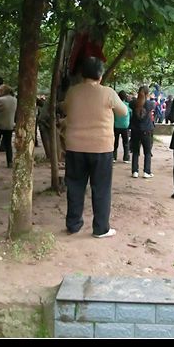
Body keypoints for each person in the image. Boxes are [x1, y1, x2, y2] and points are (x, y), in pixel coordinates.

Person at [62, 57, 127, 238]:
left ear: (82, 74)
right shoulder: (108, 93)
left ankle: (73, 225)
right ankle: (100, 229)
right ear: (100, 75)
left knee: (75, 186)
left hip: (75, 146)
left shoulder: (73, 92)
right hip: (101, 147)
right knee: (101, 188)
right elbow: (123, 112)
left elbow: (65, 108)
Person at [129, 85, 156, 178]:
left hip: (135, 130)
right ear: (147, 94)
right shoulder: (150, 104)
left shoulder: (133, 103)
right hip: (146, 130)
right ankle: (146, 172)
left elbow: (131, 103)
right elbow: (153, 106)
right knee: (147, 152)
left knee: (135, 151)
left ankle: (135, 171)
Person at [113, 90, 132, 164]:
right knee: (126, 142)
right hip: (125, 126)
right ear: (125, 97)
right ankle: (126, 158)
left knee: (115, 142)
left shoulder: (115, 106)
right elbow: (131, 114)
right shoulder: (128, 105)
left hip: (116, 125)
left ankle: (113, 157)